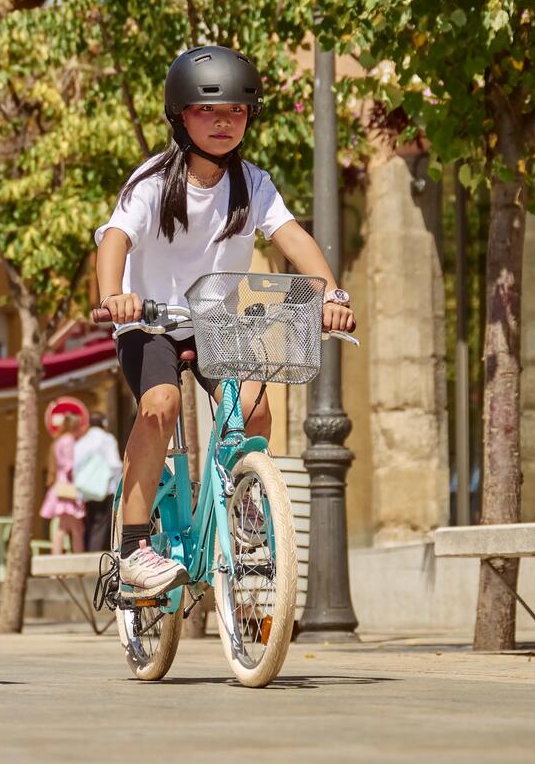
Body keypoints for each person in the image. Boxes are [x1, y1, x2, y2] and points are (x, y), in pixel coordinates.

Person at [96, 46, 355, 597]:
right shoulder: (152, 182)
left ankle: (245, 508)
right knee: (159, 406)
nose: (223, 122)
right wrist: (114, 295)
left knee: (254, 407)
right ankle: (134, 549)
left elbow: (291, 237)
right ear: (179, 116)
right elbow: (115, 237)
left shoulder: (252, 184)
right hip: (151, 320)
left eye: (236, 111)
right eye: (207, 111)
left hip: (216, 318)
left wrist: (331, 293)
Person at [39, 405, 87, 554]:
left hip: (60, 485)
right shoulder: (68, 440)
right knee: (76, 528)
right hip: (68, 486)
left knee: (63, 527)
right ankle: (78, 560)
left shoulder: (59, 441)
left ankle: (57, 558)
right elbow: (69, 464)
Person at [73, 411, 123, 552]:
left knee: (91, 524)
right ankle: (96, 555)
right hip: (105, 489)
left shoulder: (81, 442)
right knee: (103, 524)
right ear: (103, 423)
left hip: (86, 491)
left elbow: (76, 467)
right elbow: (114, 464)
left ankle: (91, 552)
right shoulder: (107, 439)